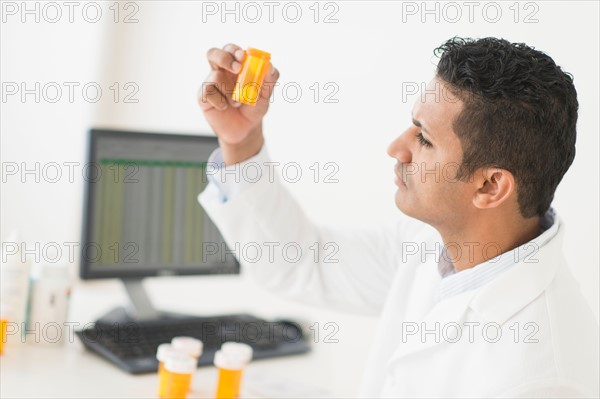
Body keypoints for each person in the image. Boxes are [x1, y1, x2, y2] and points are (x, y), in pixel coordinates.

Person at [197, 37, 599, 397]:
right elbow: (302, 263)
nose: (396, 148)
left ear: (490, 187)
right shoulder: (436, 248)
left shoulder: (543, 373)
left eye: (424, 138)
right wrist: (242, 141)